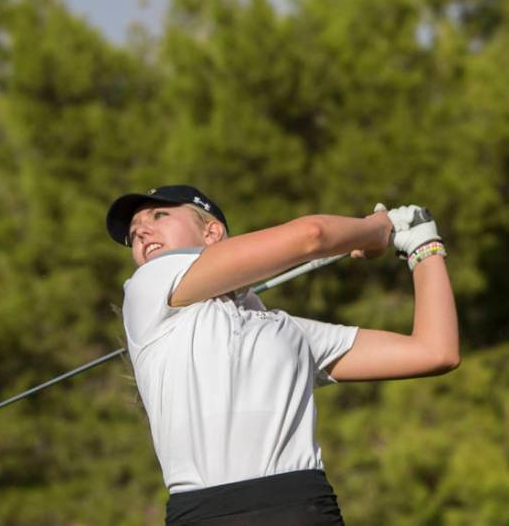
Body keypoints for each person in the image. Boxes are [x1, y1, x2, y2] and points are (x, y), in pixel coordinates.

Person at [105, 185, 459, 525]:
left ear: (211, 232)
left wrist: (423, 245)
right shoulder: (147, 286)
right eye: (134, 231)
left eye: (159, 215)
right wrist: (377, 229)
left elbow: (434, 351)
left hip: (301, 507)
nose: (141, 232)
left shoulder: (287, 332)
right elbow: (313, 235)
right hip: (204, 513)